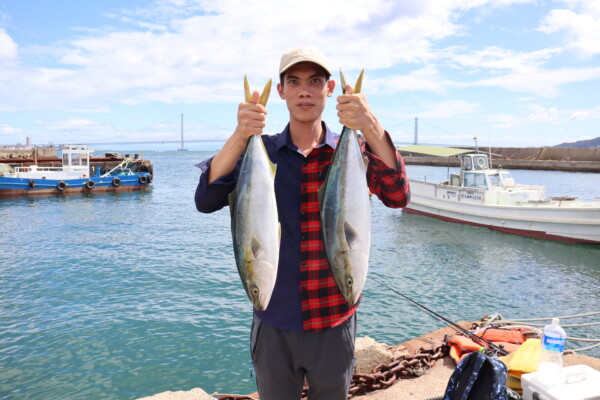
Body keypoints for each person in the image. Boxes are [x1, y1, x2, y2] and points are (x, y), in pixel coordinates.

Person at [195, 45, 410, 400]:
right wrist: (240, 134)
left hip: (334, 320)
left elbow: (398, 195)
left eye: (315, 81)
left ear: (329, 89)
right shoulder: (261, 150)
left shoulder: (351, 151)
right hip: (274, 321)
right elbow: (205, 200)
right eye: (294, 81)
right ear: (281, 92)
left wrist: (369, 126)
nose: (304, 91)